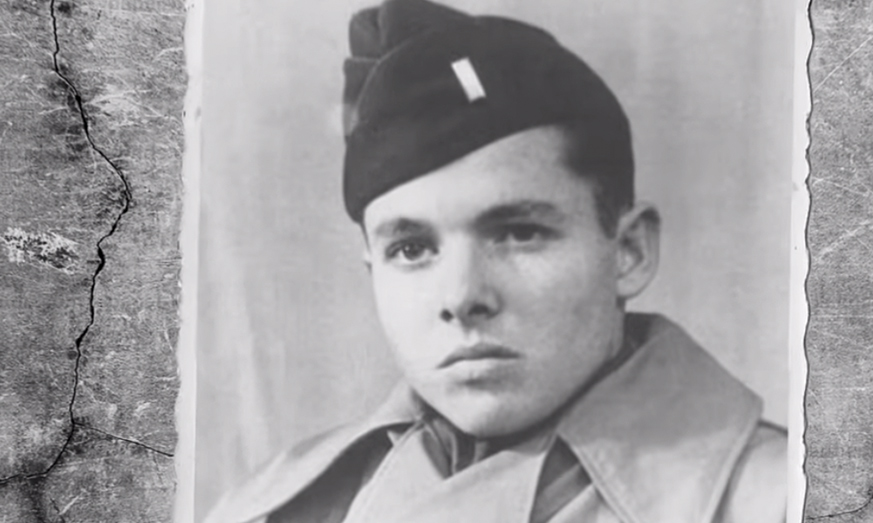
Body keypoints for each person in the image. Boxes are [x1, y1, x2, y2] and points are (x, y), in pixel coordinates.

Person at [205, 0, 786, 521]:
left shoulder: (782, 499)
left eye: (519, 234)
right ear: (372, 269)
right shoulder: (269, 512)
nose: (462, 297)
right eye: (411, 249)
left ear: (629, 251)